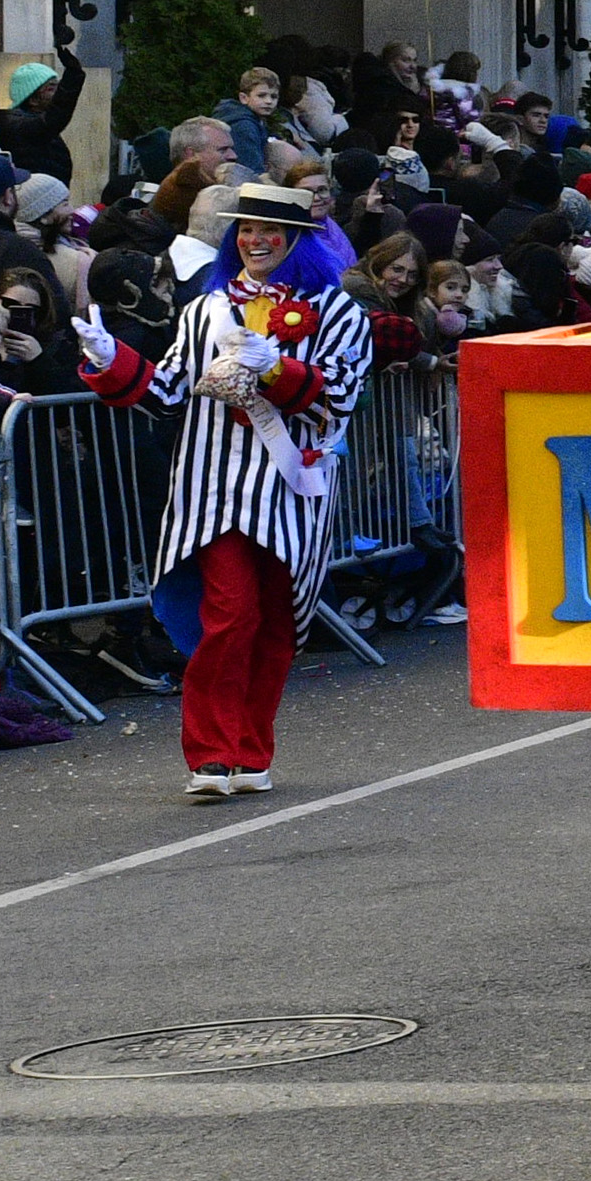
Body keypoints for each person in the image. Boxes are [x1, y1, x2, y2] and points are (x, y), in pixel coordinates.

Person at [75, 175, 368, 799]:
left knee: (275, 624)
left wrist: (282, 371)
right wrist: (111, 359)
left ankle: (251, 751)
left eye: (271, 232)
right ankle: (209, 755)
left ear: (297, 240)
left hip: (291, 489)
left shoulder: (340, 312)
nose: (257, 241)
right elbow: (166, 392)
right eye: (248, 230)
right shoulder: (204, 309)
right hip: (211, 490)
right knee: (228, 614)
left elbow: (339, 399)